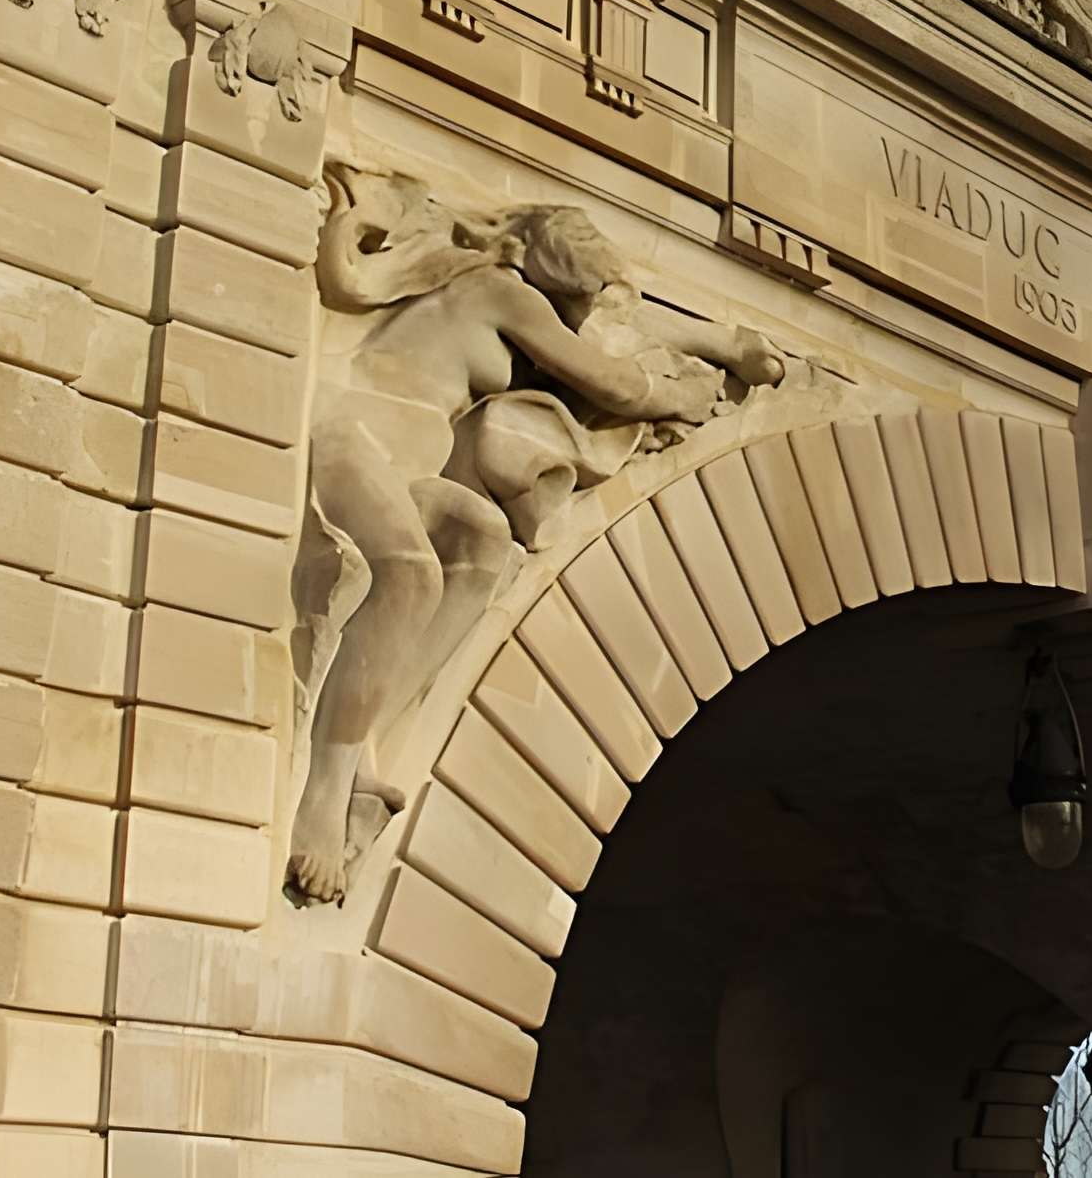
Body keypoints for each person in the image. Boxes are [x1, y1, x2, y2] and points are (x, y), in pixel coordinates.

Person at [286, 167, 782, 903]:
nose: (589, 312)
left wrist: (722, 343)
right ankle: (321, 800)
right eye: (589, 294)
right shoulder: (500, 290)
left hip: (402, 456)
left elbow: (613, 339)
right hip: (355, 432)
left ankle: (364, 743)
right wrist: (687, 386)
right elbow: (613, 379)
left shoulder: (494, 294)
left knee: (485, 541)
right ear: (558, 268)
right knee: (410, 573)